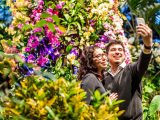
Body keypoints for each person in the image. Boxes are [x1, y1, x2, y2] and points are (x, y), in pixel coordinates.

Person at [103, 24, 152, 120]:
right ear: (107, 55)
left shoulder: (132, 70)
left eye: (120, 50)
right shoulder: (103, 77)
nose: (117, 52)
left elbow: (143, 63)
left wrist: (147, 45)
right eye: (113, 50)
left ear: (124, 55)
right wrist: (106, 103)